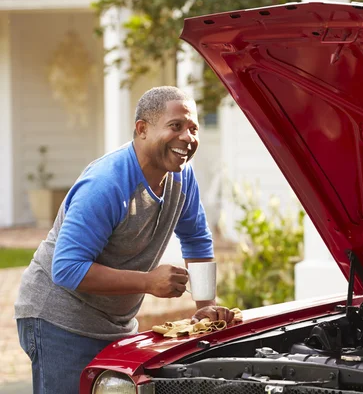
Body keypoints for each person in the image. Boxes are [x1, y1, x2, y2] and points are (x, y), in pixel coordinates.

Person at [14, 86, 234, 394]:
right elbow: (66, 269)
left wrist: (206, 307)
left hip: (115, 322)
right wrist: (147, 282)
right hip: (58, 318)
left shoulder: (183, 178)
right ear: (142, 129)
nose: (188, 137)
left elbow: (196, 239)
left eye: (193, 128)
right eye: (176, 126)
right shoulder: (107, 183)